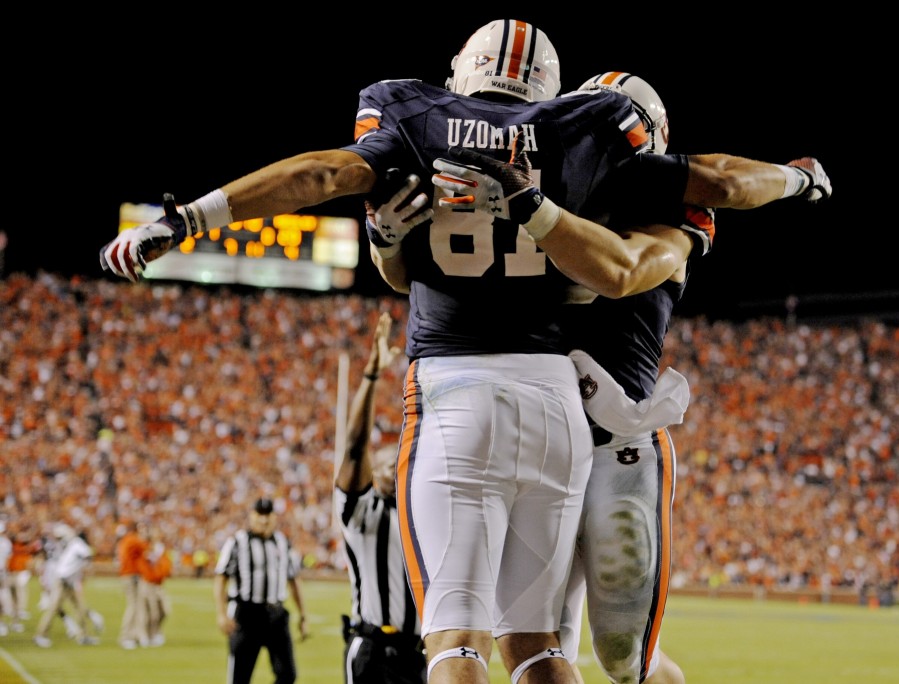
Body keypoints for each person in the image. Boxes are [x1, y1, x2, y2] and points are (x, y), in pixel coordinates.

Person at [97, 19, 825, 684]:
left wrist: (191, 218)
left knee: (461, 643)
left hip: (472, 394)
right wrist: (801, 178)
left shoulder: (426, 122)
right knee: (545, 648)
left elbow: (323, 174)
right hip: (556, 409)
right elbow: (688, 203)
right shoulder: (578, 141)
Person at [335, 310, 426, 684]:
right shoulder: (363, 511)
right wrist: (371, 377)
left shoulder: (423, 513)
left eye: (397, 463)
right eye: (383, 465)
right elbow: (355, 450)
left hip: (418, 652)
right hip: (372, 650)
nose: (390, 470)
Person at [213, 496, 309, 684]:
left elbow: (294, 580)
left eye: (268, 515)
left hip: (276, 613)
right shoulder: (237, 542)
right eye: (260, 514)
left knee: (288, 674)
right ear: (252, 516)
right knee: (240, 677)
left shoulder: (283, 542)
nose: (264, 520)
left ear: (274, 517)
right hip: (247, 614)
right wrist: (221, 614)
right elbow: (220, 578)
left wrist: (303, 614)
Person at [33, 524, 104, 647]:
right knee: (54, 608)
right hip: (62, 580)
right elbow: (88, 557)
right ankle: (40, 635)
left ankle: (84, 636)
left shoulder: (74, 544)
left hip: (68, 580)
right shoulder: (78, 544)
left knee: (80, 607)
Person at [116, 520, 148, 649]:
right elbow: (146, 547)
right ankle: (126, 636)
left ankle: (134, 635)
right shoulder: (133, 539)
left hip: (128, 575)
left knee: (136, 606)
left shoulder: (126, 540)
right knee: (133, 606)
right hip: (131, 575)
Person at [139, 534, 173, 647]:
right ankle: (147, 635)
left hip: (159, 585)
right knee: (151, 613)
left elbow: (167, 566)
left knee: (164, 611)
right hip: (148, 584)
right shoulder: (145, 550)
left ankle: (155, 632)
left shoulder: (161, 551)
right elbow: (142, 566)